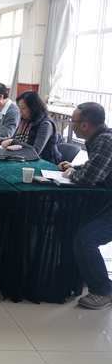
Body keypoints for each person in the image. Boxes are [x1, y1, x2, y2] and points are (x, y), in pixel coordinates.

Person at [58, 102, 112, 309]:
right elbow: (99, 167)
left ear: (85, 124)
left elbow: (88, 179)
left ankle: (103, 290)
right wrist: (76, 166)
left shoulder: (105, 141)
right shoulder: (100, 138)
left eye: (72, 121)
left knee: (85, 240)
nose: (70, 125)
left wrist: (72, 173)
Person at [0, 90, 62, 164]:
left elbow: (35, 151)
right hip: (27, 158)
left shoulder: (46, 124)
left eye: (23, 108)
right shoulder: (26, 120)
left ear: (33, 108)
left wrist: (13, 142)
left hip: (46, 162)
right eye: (19, 107)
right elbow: (14, 138)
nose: (20, 111)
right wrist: (0, 140)